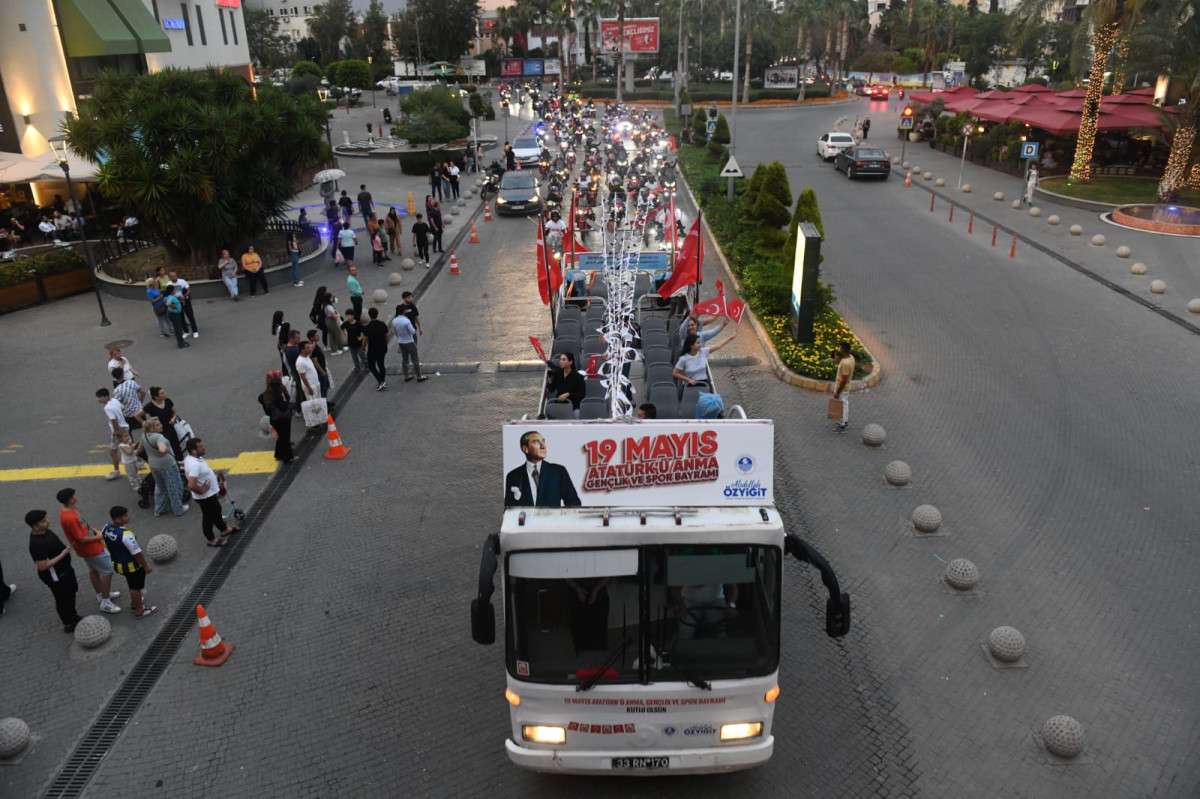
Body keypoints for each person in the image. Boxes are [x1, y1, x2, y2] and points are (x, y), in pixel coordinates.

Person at [56, 488, 121, 614]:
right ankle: (106, 601)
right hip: (92, 549)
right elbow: (81, 538)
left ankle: (101, 594)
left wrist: (93, 530)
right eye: (73, 496)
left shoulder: (68, 511)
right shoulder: (69, 517)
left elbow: (82, 526)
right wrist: (100, 536)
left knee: (94, 570)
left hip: (87, 549)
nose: (76, 498)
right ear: (69, 499)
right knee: (107, 572)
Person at [26, 509, 83, 632]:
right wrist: (63, 553)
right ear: (35, 526)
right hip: (56, 576)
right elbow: (42, 566)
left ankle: (73, 615)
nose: (47, 522)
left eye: (45, 519)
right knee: (62, 599)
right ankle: (68, 623)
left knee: (71, 592)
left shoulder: (45, 531)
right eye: (43, 521)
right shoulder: (36, 544)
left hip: (65, 570)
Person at [101, 506, 157, 618]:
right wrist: (145, 566)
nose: (128, 517)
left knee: (132, 584)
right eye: (125, 516)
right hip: (132, 566)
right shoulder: (126, 534)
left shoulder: (106, 528)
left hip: (118, 564)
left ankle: (135, 603)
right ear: (117, 519)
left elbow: (103, 541)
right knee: (135, 587)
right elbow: (136, 553)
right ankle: (140, 610)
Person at [184, 438, 239, 548]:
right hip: (205, 497)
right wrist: (201, 490)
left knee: (217, 510)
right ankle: (211, 539)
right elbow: (191, 484)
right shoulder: (195, 464)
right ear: (193, 450)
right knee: (208, 517)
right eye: (200, 447)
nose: (204, 447)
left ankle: (224, 529)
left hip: (209, 494)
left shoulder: (193, 458)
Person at [503, 431, 581, 507]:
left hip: (552, 520)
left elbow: (574, 504)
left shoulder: (558, 471)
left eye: (543, 441)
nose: (543, 446)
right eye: (536, 442)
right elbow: (509, 509)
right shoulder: (513, 476)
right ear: (525, 449)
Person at [142, 418, 188, 516]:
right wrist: (166, 449)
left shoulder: (144, 436)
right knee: (174, 486)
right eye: (158, 425)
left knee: (160, 487)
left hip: (153, 465)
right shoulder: (159, 437)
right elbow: (162, 449)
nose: (161, 425)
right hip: (167, 465)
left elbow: (139, 449)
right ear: (152, 428)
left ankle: (159, 509)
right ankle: (178, 510)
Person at [258, 371, 295, 463]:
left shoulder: (264, 395)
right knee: (285, 438)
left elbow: (267, 409)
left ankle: (278, 454)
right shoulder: (280, 391)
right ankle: (288, 457)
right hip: (284, 418)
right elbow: (288, 399)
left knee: (281, 436)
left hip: (274, 419)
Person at [96, 387, 129, 481]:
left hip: (118, 430)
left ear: (105, 397)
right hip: (125, 427)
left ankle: (116, 471)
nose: (98, 399)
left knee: (113, 451)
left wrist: (116, 432)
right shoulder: (115, 401)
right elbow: (123, 409)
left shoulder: (107, 408)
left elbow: (113, 420)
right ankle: (138, 462)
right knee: (128, 446)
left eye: (99, 397)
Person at [142, 386, 183, 460]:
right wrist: (145, 423)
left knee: (176, 446)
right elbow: (138, 415)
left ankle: (180, 461)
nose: (165, 394)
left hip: (170, 427)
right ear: (156, 397)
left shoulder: (167, 401)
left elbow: (174, 411)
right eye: (162, 393)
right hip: (160, 430)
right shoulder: (149, 406)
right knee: (166, 447)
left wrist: (173, 418)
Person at [391, 309, 426, 383]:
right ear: (403, 312)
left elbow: (395, 332)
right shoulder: (406, 321)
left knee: (405, 359)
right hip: (409, 342)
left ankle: (406, 376)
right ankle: (419, 376)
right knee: (415, 359)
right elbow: (412, 331)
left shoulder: (394, 320)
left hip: (401, 342)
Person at [363, 307, 390, 390]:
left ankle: (380, 380)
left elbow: (366, 339)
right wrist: (386, 344)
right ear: (377, 314)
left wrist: (363, 347)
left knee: (371, 366)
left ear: (369, 315)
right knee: (381, 364)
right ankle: (383, 380)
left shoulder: (367, 327)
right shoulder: (382, 324)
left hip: (372, 349)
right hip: (382, 348)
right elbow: (386, 336)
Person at [168, 271, 200, 338]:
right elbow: (169, 294)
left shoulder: (182, 281)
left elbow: (188, 290)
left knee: (190, 316)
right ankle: (186, 331)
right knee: (181, 318)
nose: (174, 277)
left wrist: (184, 296)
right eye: (172, 276)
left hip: (185, 300)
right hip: (177, 302)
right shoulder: (169, 284)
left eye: (175, 276)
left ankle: (195, 331)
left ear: (177, 275)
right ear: (170, 277)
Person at [831, 341, 855, 432]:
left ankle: (843, 424)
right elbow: (836, 362)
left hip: (843, 389)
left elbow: (844, 380)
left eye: (840, 348)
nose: (839, 350)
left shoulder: (845, 363)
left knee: (843, 404)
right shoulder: (851, 357)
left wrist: (837, 392)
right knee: (844, 404)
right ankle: (843, 421)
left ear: (843, 350)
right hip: (846, 387)